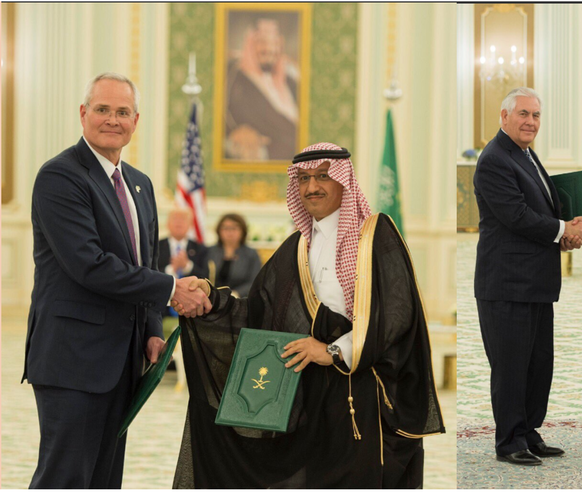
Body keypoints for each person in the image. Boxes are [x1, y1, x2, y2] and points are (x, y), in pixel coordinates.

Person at [171, 142, 445, 488]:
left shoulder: (375, 235)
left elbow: (396, 314)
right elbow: (259, 314)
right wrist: (212, 298)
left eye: (323, 176)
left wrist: (331, 351)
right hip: (307, 397)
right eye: (302, 178)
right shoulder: (297, 246)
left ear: (344, 181)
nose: (312, 186)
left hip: (360, 393)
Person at [22, 72, 211, 488]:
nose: (113, 119)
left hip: (123, 363)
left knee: (104, 478)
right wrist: (171, 290)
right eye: (103, 109)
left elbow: (144, 262)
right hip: (73, 361)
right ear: (83, 114)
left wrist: (151, 333)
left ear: (136, 120)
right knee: (66, 477)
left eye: (122, 112)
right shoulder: (60, 177)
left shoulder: (140, 185)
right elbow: (89, 264)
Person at [473, 87, 582, 466]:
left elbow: (542, 206)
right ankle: (509, 441)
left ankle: (528, 432)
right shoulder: (494, 159)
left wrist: (566, 226)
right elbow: (516, 216)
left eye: (536, 115)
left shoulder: (525, 154)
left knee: (537, 363)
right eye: (523, 113)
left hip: (535, 281)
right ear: (504, 117)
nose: (530, 122)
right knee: (510, 365)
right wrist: (563, 231)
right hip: (506, 283)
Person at [225, 18, 299, 161]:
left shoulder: (290, 80)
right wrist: (233, 132)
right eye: (262, 42)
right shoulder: (234, 79)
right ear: (250, 43)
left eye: (274, 43)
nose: (269, 49)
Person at [206, 213, 262, 297]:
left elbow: (255, 282)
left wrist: (236, 293)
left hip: (240, 300)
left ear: (243, 231)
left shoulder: (251, 254)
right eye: (225, 228)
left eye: (234, 228)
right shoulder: (209, 251)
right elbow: (202, 275)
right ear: (218, 230)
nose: (230, 232)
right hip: (211, 300)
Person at [159, 208, 209, 282]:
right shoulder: (156, 247)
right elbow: (150, 274)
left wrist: (187, 266)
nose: (179, 222)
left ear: (190, 225)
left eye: (183, 219)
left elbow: (206, 277)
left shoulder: (201, 249)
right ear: (167, 224)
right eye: (175, 218)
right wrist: (171, 269)